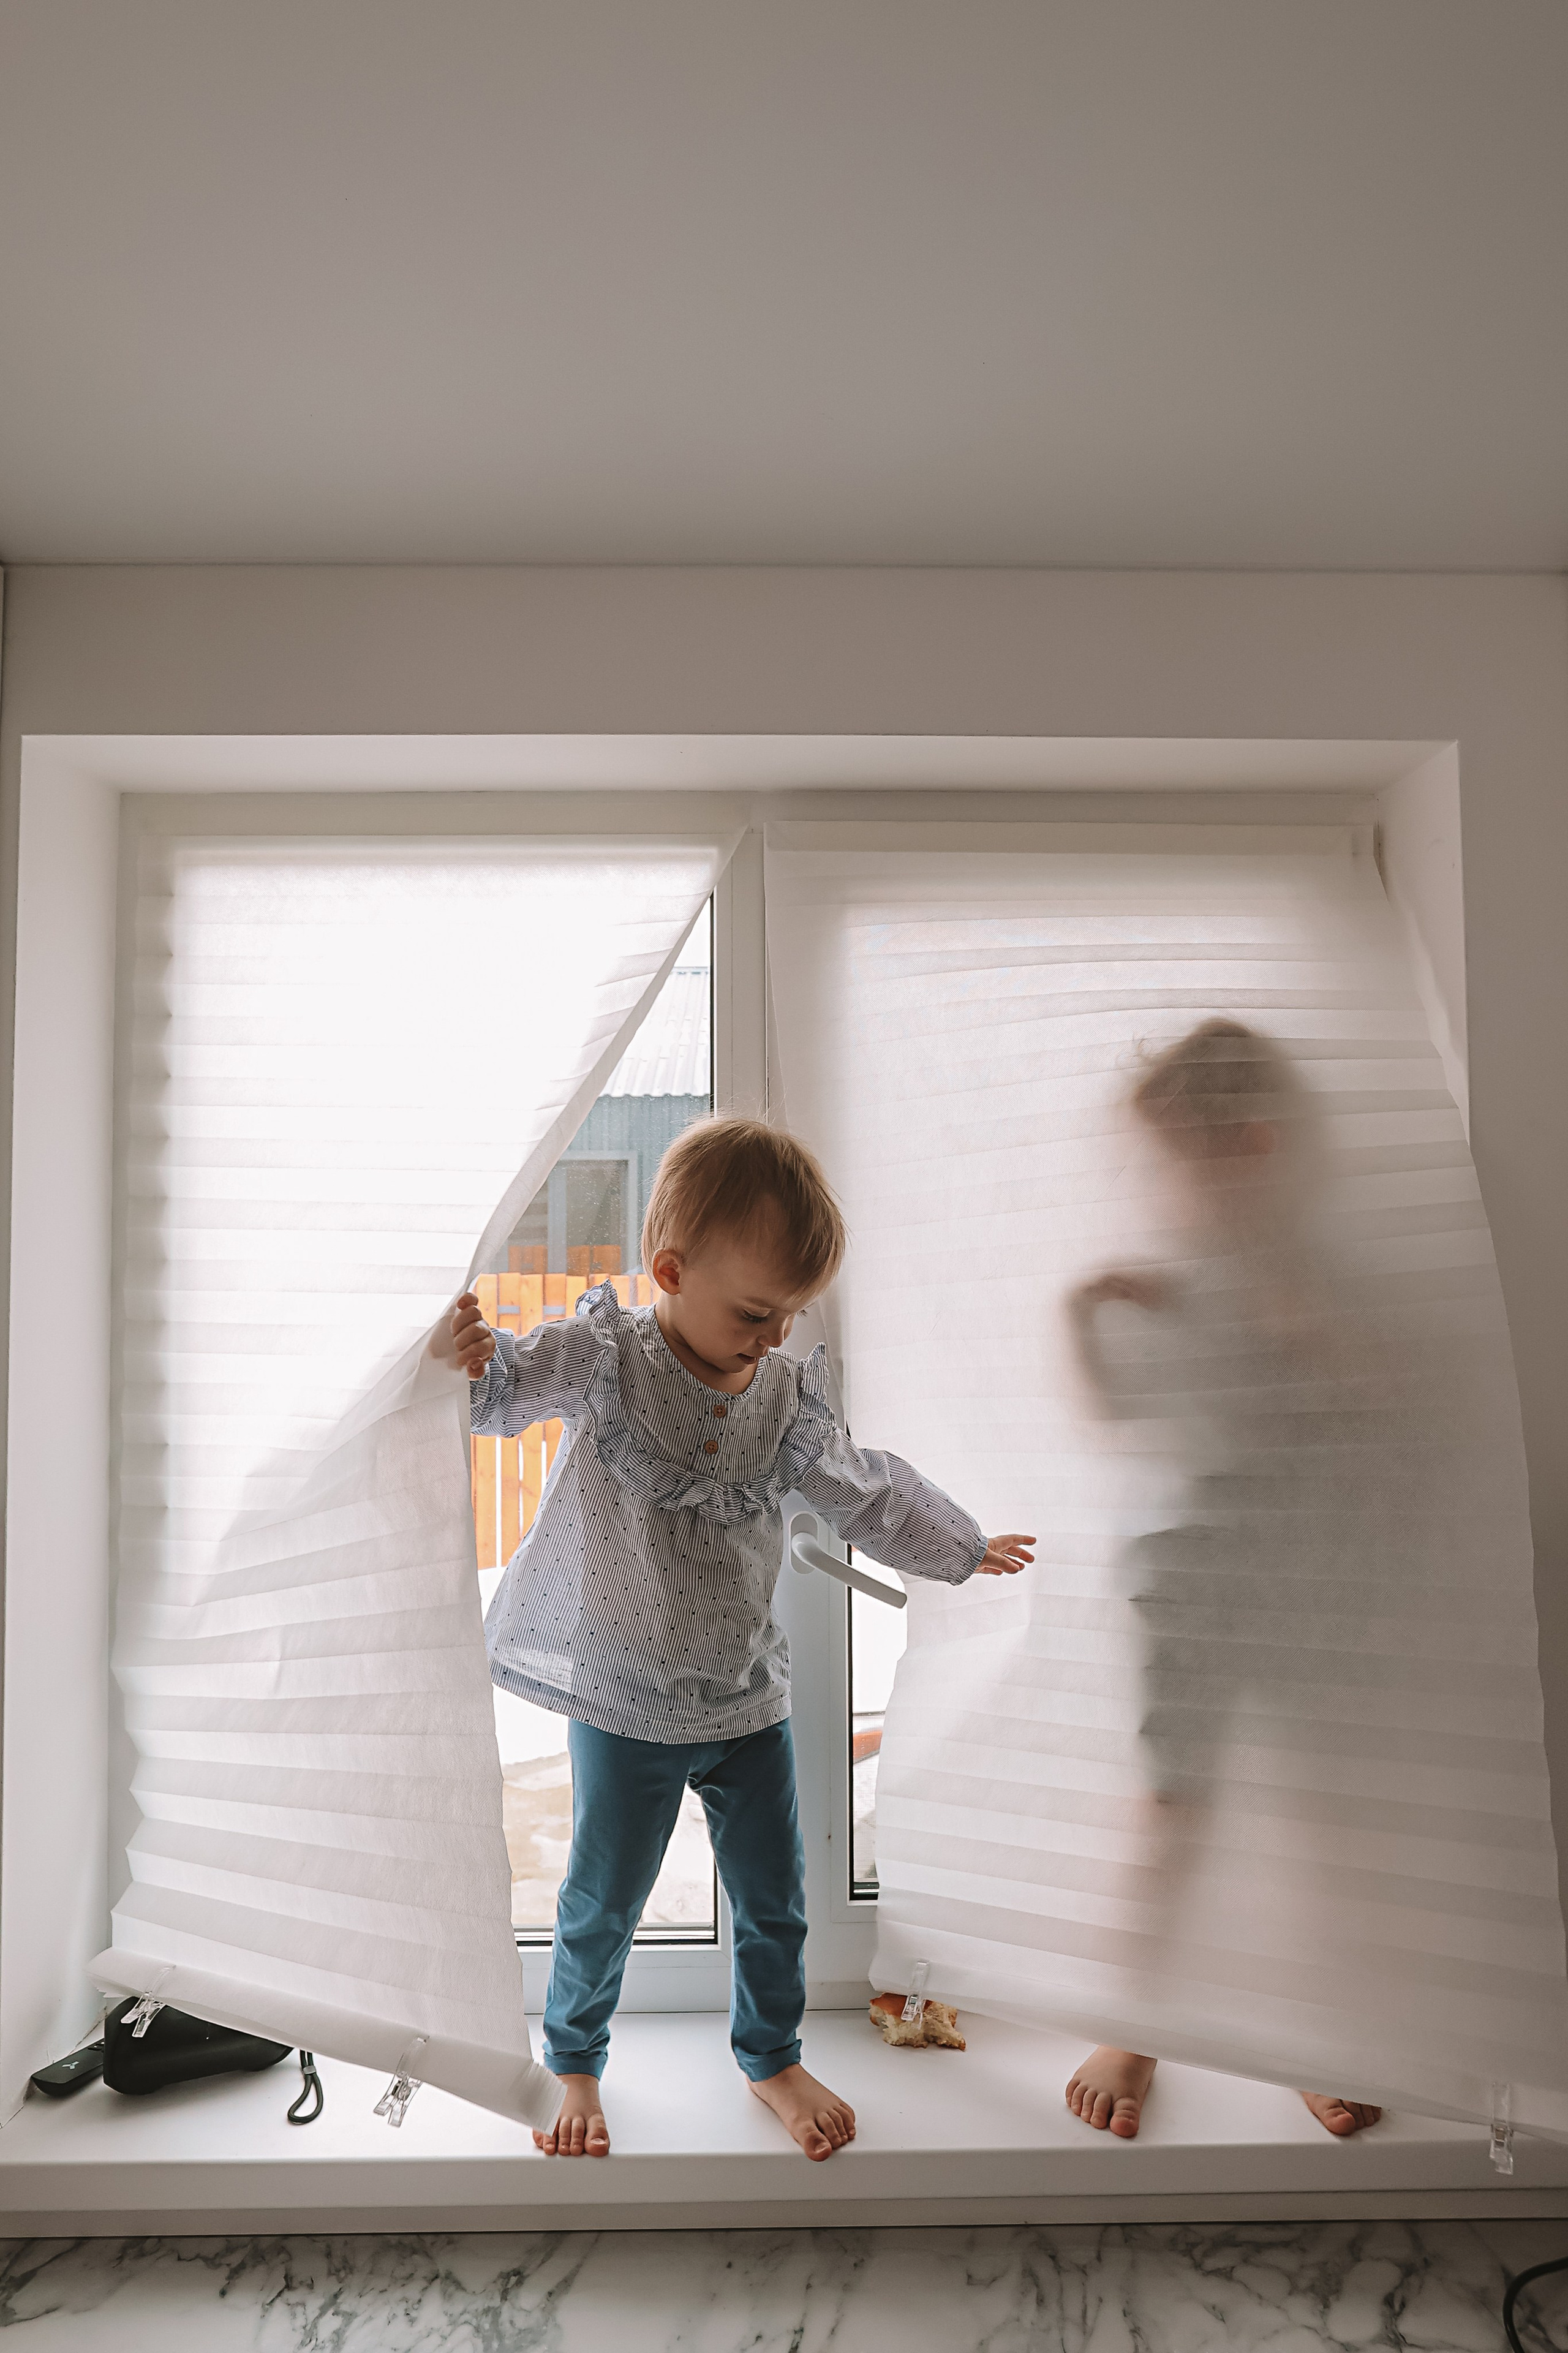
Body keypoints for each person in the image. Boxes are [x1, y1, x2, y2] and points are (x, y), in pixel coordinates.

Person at [431, 1116, 1034, 2162]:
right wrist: (464, 1358)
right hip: (625, 1703)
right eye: (757, 1311)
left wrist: (961, 1546)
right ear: (670, 1269)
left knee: (776, 1900)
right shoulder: (607, 1358)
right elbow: (499, 1397)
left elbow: (867, 1493)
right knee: (601, 1898)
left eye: (790, 1316)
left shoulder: (785, 1400)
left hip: (747, 1697)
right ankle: (574, 2058)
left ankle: (771, 2054)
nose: (773, 1335)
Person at [1063, 1019, 1382, 2143]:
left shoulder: (1303, 1261)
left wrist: (1295, 1320)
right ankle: (1133, 2022)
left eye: (1183, 1156)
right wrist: (1089, 1317)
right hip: (1189, 1569)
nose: (1168, 1184)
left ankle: (1311, 2025)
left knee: (1311, 1805)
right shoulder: (1180, 1268)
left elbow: (1366, 1408)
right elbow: (1121, 1423)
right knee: (1173, 1801)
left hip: (1297, 1568)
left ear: (1250, 1144)